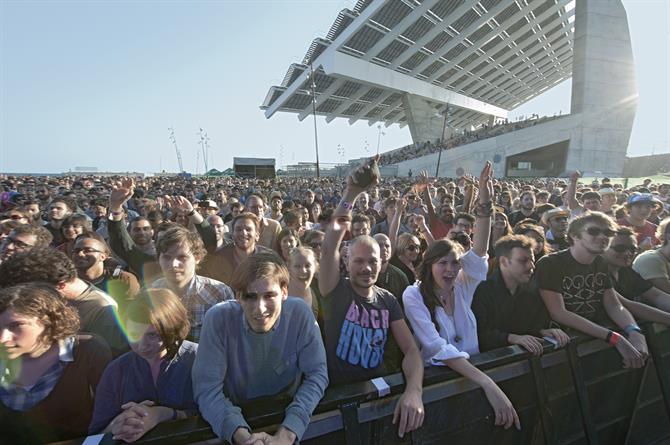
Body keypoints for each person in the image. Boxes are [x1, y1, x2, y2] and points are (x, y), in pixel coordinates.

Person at [403, 162, 520, 430]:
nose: (449, 269)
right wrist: (487, 382)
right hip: (438, 384)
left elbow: (479, 249)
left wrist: (484, 200)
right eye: (441, 263)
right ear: (429, 264)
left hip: (471, 376)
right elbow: (435, 346)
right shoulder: (414, 295)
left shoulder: (464, 285)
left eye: (454, 263)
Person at [319, 156, 425, 439]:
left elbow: (412, 351)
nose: (366, 268)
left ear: (382, 262)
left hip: (379, 400)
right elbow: (329, 246)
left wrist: (414, 392)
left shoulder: (388, 300)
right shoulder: (334, 290)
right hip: (336, 402)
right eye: (359, 261)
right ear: (347, 261)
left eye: (372, 261)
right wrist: (352, 192)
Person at [193, 253, 328, 445]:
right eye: (250, 297)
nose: (260, 308)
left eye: (269, 295)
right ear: (238, 296)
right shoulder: (218, 320)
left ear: (284, 292)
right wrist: (243, 437)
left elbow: (317, 374)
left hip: (287, 415)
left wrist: (288, 433)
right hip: (236, 418)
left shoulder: (300, 314)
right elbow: (206, 389)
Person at [0, 283, 112, 443]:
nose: (3, 338)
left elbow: (111, 422)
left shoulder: (87, 351)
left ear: (48, 321)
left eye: (16, 325)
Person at [536, 212, 648, 369]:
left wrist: (634, 331)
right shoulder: (551, 263)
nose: (603, 237)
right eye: (594, 231)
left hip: (590, 343)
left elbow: (614, 306)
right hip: (556, 349)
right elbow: (559, 313)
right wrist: (615, 338)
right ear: (574, 235)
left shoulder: (600, 262)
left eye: (609, 233)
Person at [89, 289, 198, 442]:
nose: (142, 346)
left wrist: (164, 414)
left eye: (152, 335)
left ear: (174, 330)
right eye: (133, 335)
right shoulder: (116, 371)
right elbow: (93, 438)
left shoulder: (198, 359)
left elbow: (220, 417)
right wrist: (117, 424)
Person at [0, 248, 129, 357]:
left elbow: (106, 358)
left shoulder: (101, 309)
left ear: (60, 286)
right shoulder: (55, 297)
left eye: (28, 293)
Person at [472, 235, 569, 354]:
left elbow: (527, 327)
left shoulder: (531, 291)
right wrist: (512, 338)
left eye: (532, 260)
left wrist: (543, 331)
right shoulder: (482, 291)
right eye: (523, 261)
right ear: (504, 261)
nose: (531, 266)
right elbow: (479, 335)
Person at [149, 225, 234, 342]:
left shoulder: (219, 293)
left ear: (197, 257)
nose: (174, 264)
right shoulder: (150, 293)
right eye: (167, 257)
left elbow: (231, 339)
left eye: (182, 257)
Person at [605, 227, 670, 313]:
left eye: (633, 249)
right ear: (603, 247)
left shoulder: (625, 270)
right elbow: (629, 306)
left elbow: (656, 296)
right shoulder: (597, 272)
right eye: (620, 248)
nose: (628, 253)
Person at [73, 231, 141, 307]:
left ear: (103, 256)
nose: (80, 254)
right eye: (76, 251)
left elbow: (133, 311)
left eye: (88, 250)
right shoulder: (69, 283)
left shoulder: (123, 279)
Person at [287, 246, 319, 316]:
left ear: (315, 267)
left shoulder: (318, 295)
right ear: (289, 268)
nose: (303, 271)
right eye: (297, 266)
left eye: (308, 265)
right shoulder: (279, 296)